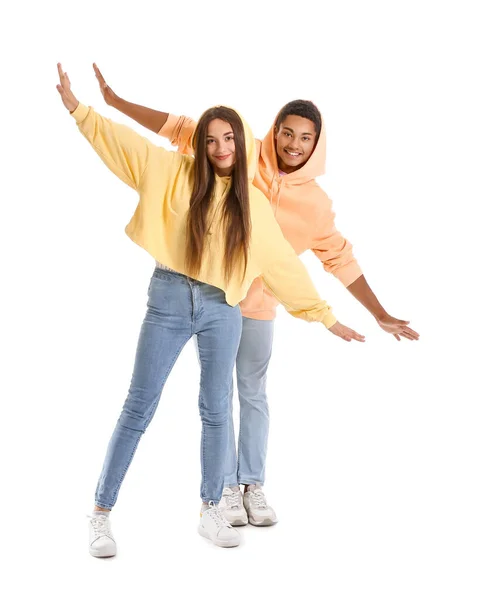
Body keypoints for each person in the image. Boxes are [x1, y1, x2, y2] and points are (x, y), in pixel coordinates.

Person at [90, 64, 420, 528]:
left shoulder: (316, 205)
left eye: (305, 138)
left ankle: (252, 484)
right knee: (214, 399)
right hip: (211, 294)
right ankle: (222, 491)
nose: (293, 144)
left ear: (316, 145)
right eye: (286, 133)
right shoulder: (242, 154)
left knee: (253, 393)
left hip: (261, 306)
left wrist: (379, 313)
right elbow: (183, 129)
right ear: (274, 132)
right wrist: (116, 103)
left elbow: (338, 258)